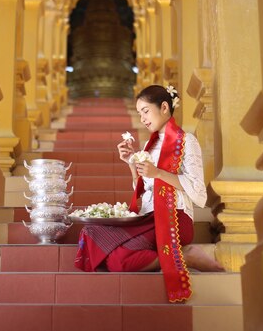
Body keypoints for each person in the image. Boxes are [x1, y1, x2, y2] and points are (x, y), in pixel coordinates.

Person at [74, 85, 224, 302]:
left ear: (164, 107)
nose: (142, 118)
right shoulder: (148, 146)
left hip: (173, 217)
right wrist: (131, 164)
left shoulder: (186, 141)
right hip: (147, 217)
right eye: (139, 113)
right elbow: (144, 190)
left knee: (120, 261)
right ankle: (173, 256)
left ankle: (185, 256)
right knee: (94, 233)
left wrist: (159, 173)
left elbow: (199, 192)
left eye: (145, 111)